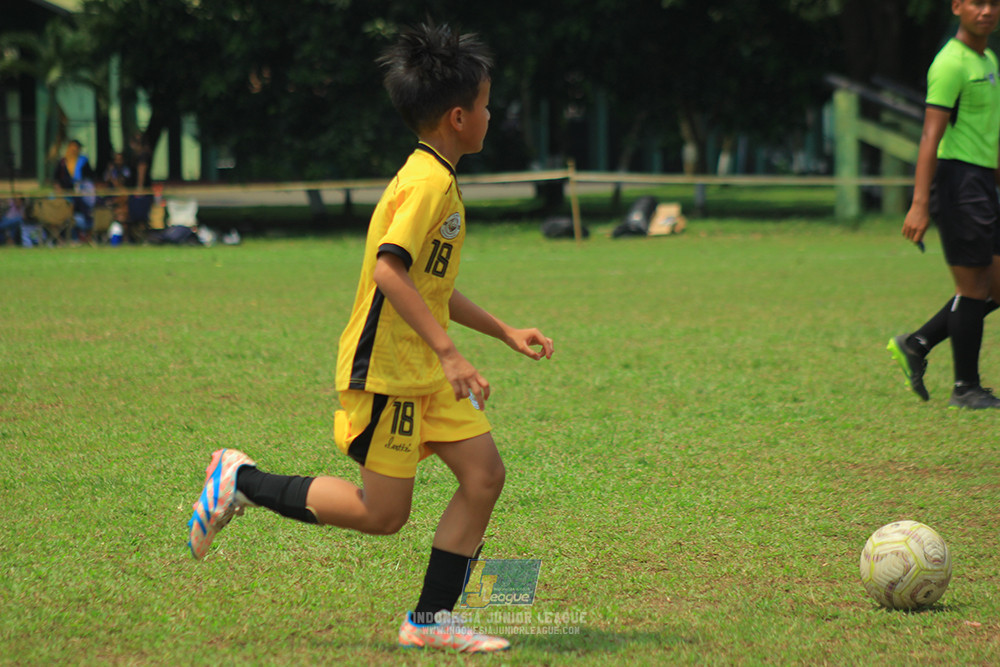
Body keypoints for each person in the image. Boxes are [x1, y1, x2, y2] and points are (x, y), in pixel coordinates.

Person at [185, 22, 554, 654]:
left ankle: (431, 621)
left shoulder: (438, 175)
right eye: (488, 106)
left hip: (425, 372)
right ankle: (240, 480)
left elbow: (428, 287)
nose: (492, 116)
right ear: (459, 117)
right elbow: (389, 270)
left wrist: (501, 331)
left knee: (484, 475)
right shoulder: (426, 183)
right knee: (384, 515)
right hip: (387, 370)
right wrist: (450, 353)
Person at [889, 0, 1000, 409]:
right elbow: (929, 138)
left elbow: (988, 133)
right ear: (958, 7)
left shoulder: (987, 58)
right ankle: (966, 388)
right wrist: (919, 203)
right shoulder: (950, 64)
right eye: (977, 3)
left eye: (994, 3)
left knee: (994, 287)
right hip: (958, 183)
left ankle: (917, 343)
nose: (987, 11)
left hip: (983, 182)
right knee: (972, 289)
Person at [53, 139, 97, 243]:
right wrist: (58, 188)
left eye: (76, 148)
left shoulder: (83, 161)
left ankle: (84, 233)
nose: (74, 150)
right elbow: (56, 179)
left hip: (81, 193)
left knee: (83, 210)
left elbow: (89, 177)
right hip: (65, 193)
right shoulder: (63, 162)